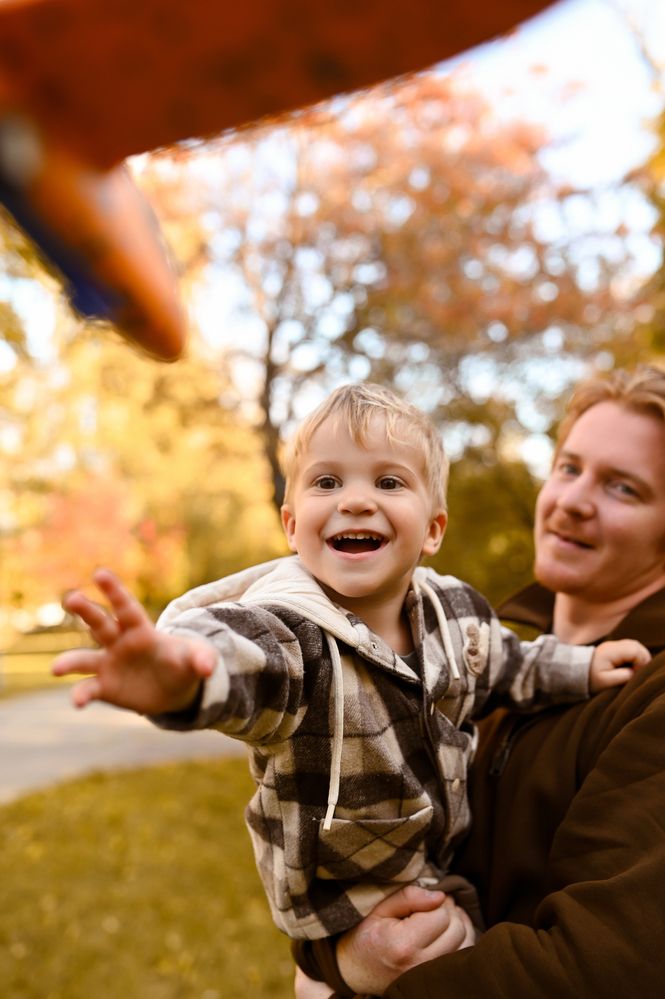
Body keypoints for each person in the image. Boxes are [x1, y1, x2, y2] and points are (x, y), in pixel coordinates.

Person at [52, 382, 645, 948]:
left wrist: (583, 668)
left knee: (471, 941)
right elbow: (243, 659)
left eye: (388, 482)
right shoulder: (296, 631)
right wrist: (181, 675)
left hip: (439, 867)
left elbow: (513, 662)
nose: (356, 500)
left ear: (433, 529)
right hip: (343, 898)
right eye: (328, 481)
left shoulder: (457, 613)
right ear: (291, 525)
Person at [293, 363, 665, 998]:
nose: (573, 499)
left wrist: (373, 981)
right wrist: (334, 955)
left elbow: (600, 971)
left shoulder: (651, 697)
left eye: (623, 488)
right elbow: (358, 826)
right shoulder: (476, 641)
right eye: (569, 468)